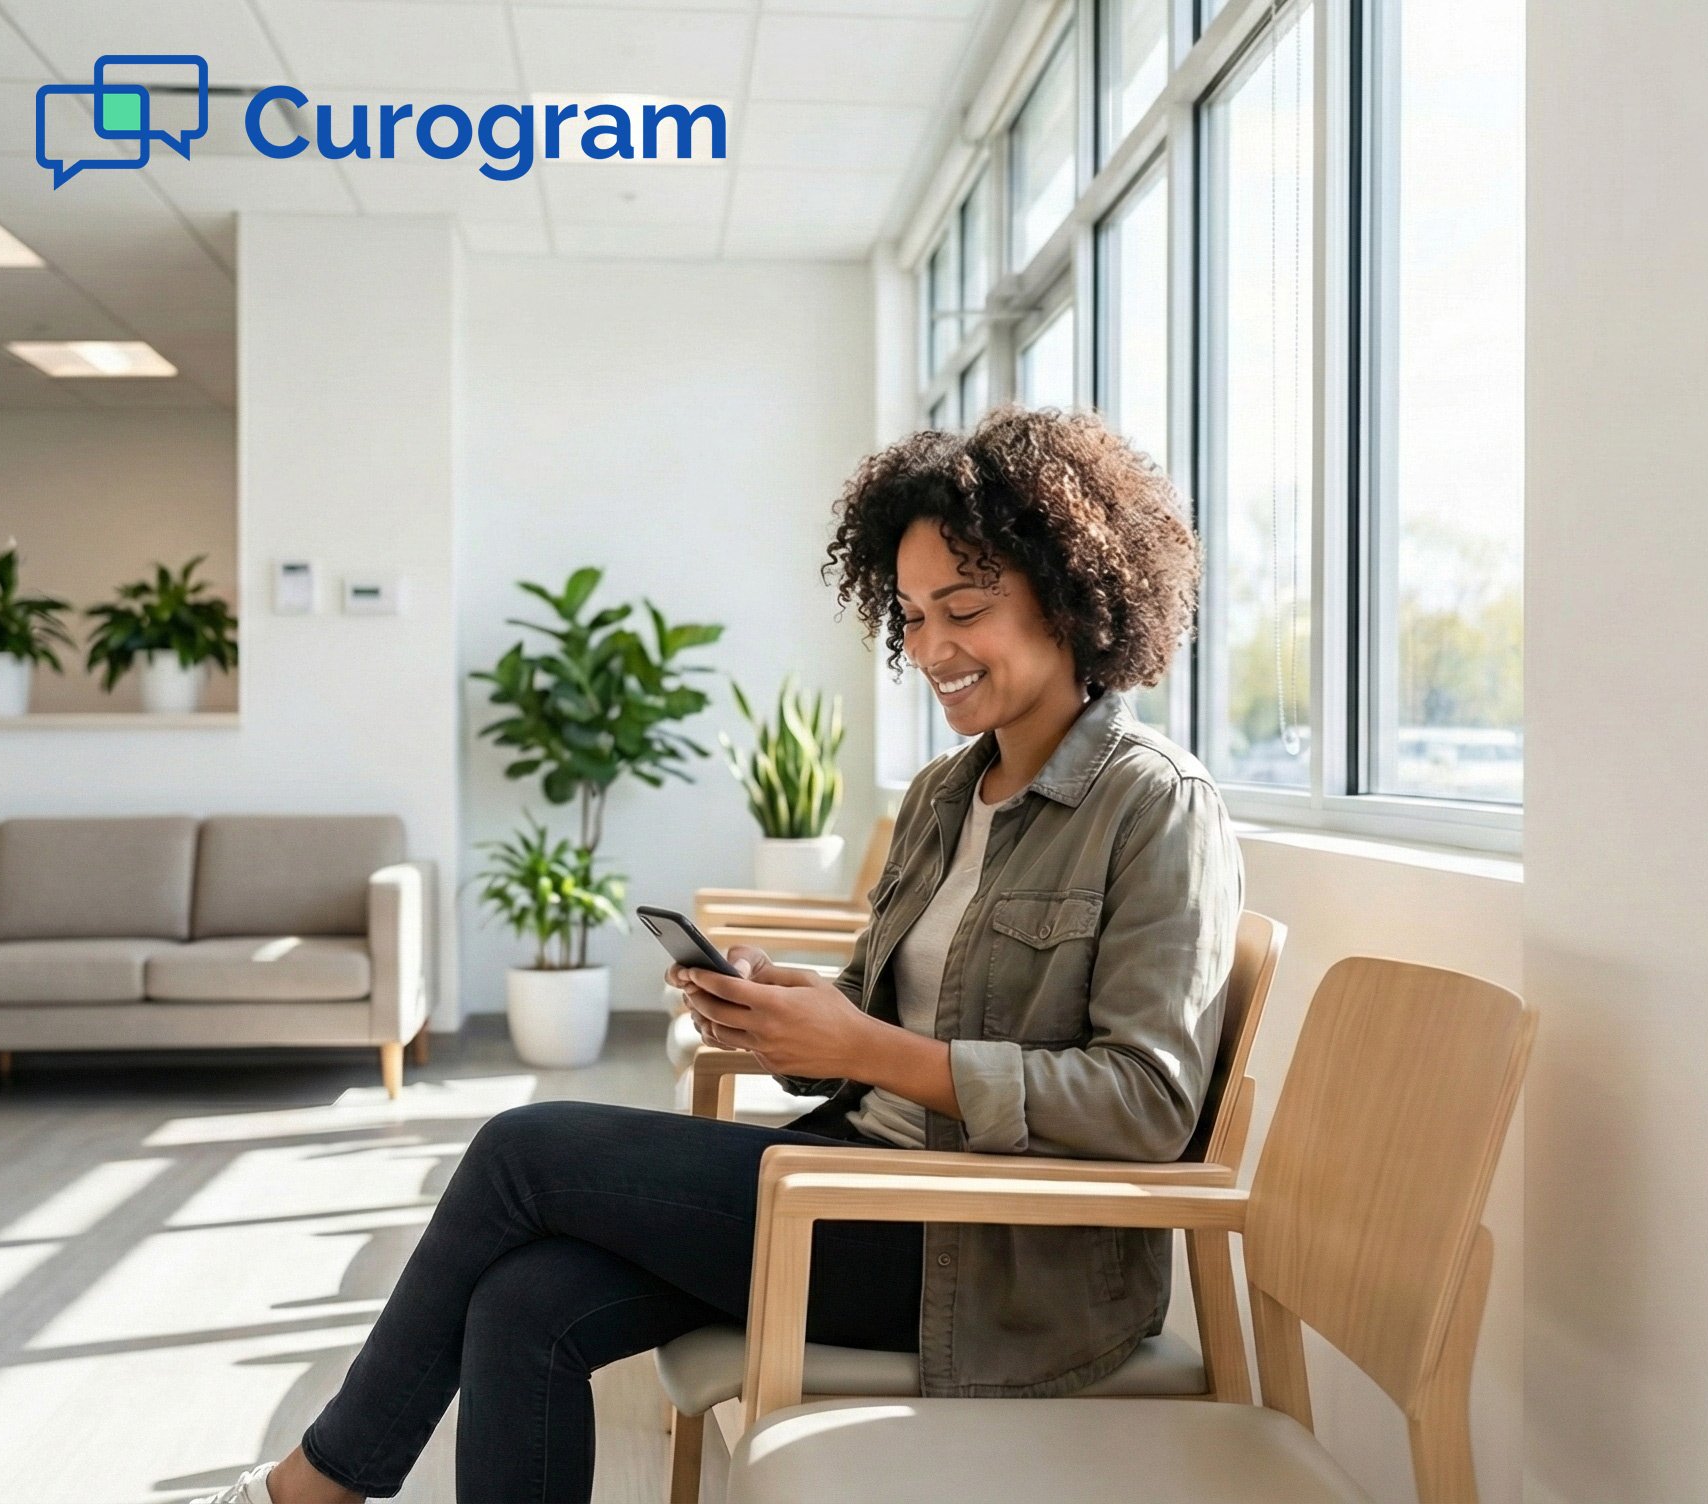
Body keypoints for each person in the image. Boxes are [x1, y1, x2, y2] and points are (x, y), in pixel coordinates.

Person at [194, 407, 1240, 1504]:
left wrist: (866, 1049)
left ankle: (310, 1490)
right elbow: (879, 1026)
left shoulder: (1154, 805)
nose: (931, 649)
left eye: (965, 610)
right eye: (912, 615)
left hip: (981, 1250)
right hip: (853, 1180)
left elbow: (1148, 1103)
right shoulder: (945, 793)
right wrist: (785, 1014)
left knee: (521, 1148)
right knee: (524, 1303)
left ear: (1071, 595)